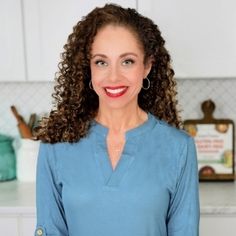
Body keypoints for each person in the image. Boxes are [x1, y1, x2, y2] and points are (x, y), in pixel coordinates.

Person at [34, 3, 199, 236]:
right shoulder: (55, 144)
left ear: (147, 66)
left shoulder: (179, 147)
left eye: (127, 61)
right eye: (101, 62)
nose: (113, 77)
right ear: (87, 68)